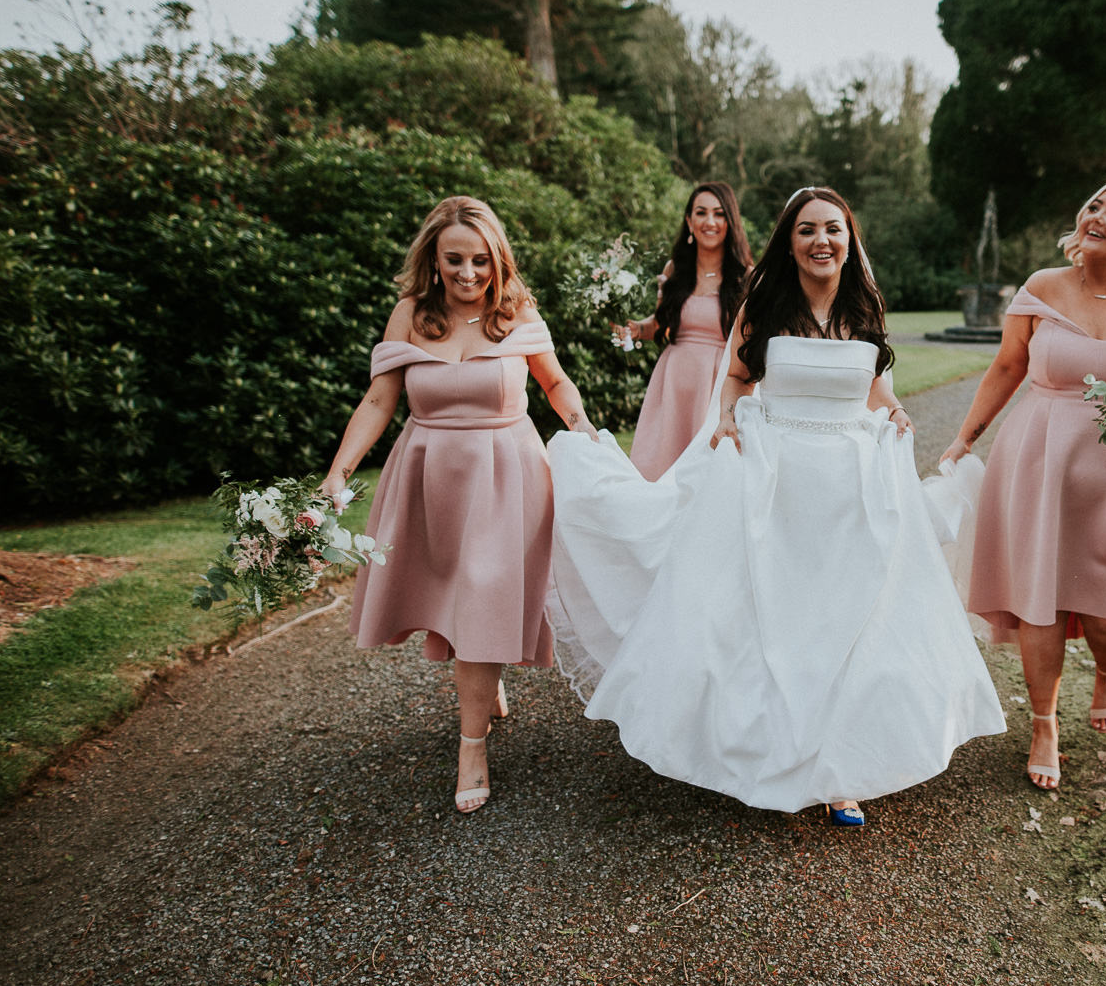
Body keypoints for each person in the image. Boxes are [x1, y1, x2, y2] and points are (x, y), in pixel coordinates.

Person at [547, 187, 1004, 826]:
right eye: (808, 230)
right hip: (778, 482)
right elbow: (736, 378)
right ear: (789, 242)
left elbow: (872, 382)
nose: (823, 241)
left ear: (850, 240)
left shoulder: (863, 305)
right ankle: (760, 753)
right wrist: (731, 416)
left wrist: (895, 410)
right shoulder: (767, 305)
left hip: (850, 492)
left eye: (834, 230)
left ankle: (842, 769)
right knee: (775, 619)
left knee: (847, 620)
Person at [320, 196, 598, 814]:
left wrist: (582, 427)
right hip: (430, 476)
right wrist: (337, 472)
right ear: (433, 258)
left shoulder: (515, 311)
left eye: (480, 260)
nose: (468, 274)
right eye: (454, 260)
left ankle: (472, 745)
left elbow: (554, 382)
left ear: (497, 259)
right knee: (455, 596)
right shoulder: (411, 314)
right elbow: (378, 401)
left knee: (481, 591)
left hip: (506, 475)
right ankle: (484, 682)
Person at [939, 179, 1106, 792]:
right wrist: (965, 438)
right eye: (1093, 205)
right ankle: (1043, 725)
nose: (1097, 216)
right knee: (1040, 593)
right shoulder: (1041, 288)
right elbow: (1008, 364)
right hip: (1042, 457)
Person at [614, 182, 754, 479]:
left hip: (717, 383)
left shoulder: (746, 277)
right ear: (689, 221)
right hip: (674, 380)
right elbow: (663, 326)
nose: (710, 222)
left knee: (709, 473)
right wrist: (638, 329)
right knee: (662, 470)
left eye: (719, 214)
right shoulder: (674, 270)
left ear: (730, 221)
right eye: (701, 213)